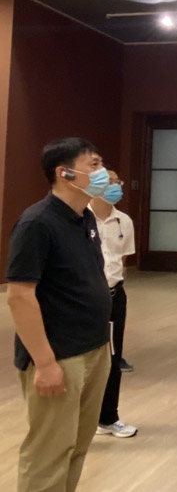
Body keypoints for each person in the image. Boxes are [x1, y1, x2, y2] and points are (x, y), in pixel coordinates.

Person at [6, 137, 112, 492]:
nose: (103, 172)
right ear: (64, 173)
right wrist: (45, 363)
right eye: (94, 165)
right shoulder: (38, 223)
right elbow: (20, 296)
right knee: (49, 453)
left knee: (77, 446)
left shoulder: (85, 218)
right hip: (59, 354)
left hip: (94, 347)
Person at [89, 169, 138, 439]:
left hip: (115, 295)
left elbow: (123, 260)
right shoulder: (80, 218)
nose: (116, 186)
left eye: (118, 182)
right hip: (85, 298)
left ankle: (108, 417)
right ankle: (80, 419)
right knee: (82, 359)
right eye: (109, 181)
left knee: (113, 357)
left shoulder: (124, 221)